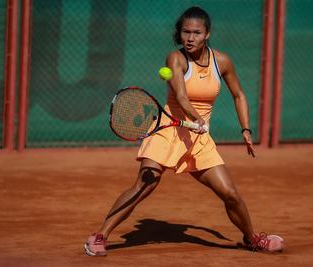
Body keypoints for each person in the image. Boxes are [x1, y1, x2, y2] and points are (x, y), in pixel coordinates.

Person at [84, 6, 284, 256]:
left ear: (207, 34)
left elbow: (239, 95)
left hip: (198, 139)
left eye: (197, 33)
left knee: (230, 193)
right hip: (169, 130)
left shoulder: (221, 61)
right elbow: (181, 96)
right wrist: (198, 118)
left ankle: (252, 239)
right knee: (146, 184)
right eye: (185, 32)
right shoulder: (176, 59)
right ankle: (99, 236)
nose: (190, 38)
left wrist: (245, 129)